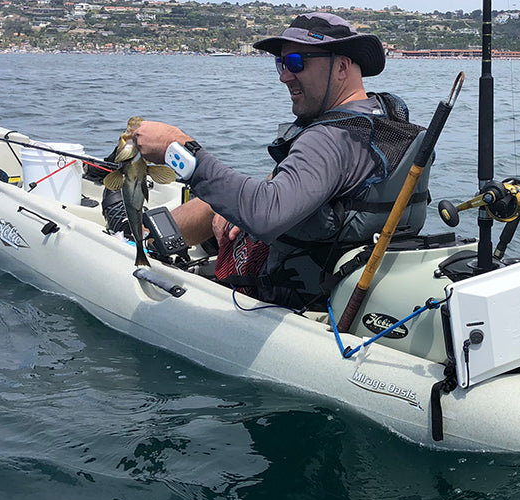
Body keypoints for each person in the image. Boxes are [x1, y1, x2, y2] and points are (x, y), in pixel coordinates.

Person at [131, 12, 432, 309]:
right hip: (345, 278)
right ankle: (145, 237)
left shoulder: (328, 138)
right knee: (222, 201)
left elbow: (266, 215)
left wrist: (179, 149)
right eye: (281, 63)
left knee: (223, 196)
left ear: (342, 67)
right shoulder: (385, 124)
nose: (284, 75)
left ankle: (136, 242)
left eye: (296, 62)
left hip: (296, 297)